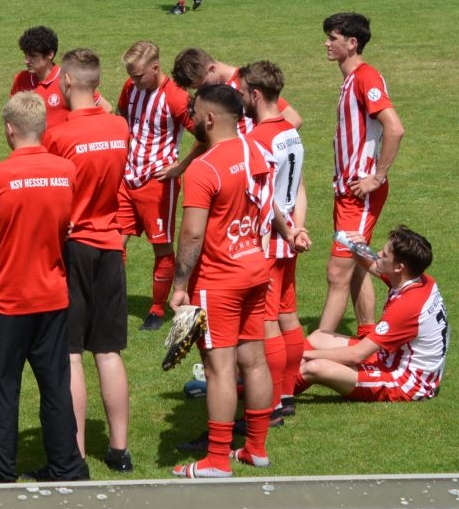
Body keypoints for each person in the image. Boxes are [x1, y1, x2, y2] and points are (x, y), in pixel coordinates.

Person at [0, 92, 88, 484]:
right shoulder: (66, 171)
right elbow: (68, 222)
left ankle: (2, 474)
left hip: (6, 301)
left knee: (2, 390)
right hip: (53, 296)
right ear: (43, 128)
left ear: (9, 130)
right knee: (56, 386)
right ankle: (67, 467)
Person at [169, 84, 274, 478]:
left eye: (195, 114)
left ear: (210, 118)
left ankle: (216, 460)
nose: (192, 120)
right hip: (255, 268)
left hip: (219, 279)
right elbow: (268, 204)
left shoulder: (204, 168)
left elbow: (192, 234)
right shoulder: (254, 150)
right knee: (255, 361)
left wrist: (180, 284)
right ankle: (256, 448)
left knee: (219, 369)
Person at [43, 49, 133, 472]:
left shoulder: (57, 137)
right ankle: (119, 450)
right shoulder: (119, 127)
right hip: (111, 244)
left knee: (71, 353)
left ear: (66, 81)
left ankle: (75, 453)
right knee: (109, 351)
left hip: (74, 244)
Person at [317, 12, 405, 342]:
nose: (326, 43)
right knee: (355, 261)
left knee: (337, 271)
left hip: (360, 191)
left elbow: (395, 128)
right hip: (348, 190)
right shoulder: (352, 79)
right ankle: (368, 335)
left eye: (333, 38)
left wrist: (377, 176)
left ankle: (319, 345)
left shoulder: (366, 77)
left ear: (352, 43)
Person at [237, 61, 312, 420]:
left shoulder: (256, 140)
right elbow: (300, 187)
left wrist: (286, 230)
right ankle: (288, 393)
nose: (239, 99)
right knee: (288, 316)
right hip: (289, 241)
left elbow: (265, 198)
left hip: (267, 242)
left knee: (266, 323)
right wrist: (299, 228)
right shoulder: (290, 132)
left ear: (255, 94)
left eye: (242, 93)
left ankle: (273, 403)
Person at [302, 226, 447, 402]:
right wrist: (356, 247)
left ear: (399, 267)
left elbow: (356, 355)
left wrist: (305, 355)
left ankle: (279, 397)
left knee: (315, 367)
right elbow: (373, 265)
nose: (378, 254)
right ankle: (281, 378)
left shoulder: (407, 306)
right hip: (391, 358)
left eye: (384, 255)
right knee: (318, 337)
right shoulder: (417, 279)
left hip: (406, 382)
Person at [116, 41, 194, 331]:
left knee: (161, 247)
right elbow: (121, 116)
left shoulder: (176, 98)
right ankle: (111, 301)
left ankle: (157, 309)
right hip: (127, 177)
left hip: (158, 182)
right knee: (113, 243)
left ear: (155, 68)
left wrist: (180, 166)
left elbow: (205, 135)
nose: (133, 80)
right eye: (131, 75)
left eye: (138, 75)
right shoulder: (130, 87)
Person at [9, 26, 112, 142]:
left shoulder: (67, 80)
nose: (26, 61)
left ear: (50, 54)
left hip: (62, 149)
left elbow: (106, 108)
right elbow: (13, 115)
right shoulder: (21, 79)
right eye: (25, 54)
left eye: (33, 56)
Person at [170, 47, 304, 133]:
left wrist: (264, 149)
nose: (201, 91)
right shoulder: (216, 91)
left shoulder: (248, 82)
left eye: (203, 85)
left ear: (212, 69)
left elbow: (294, 119)